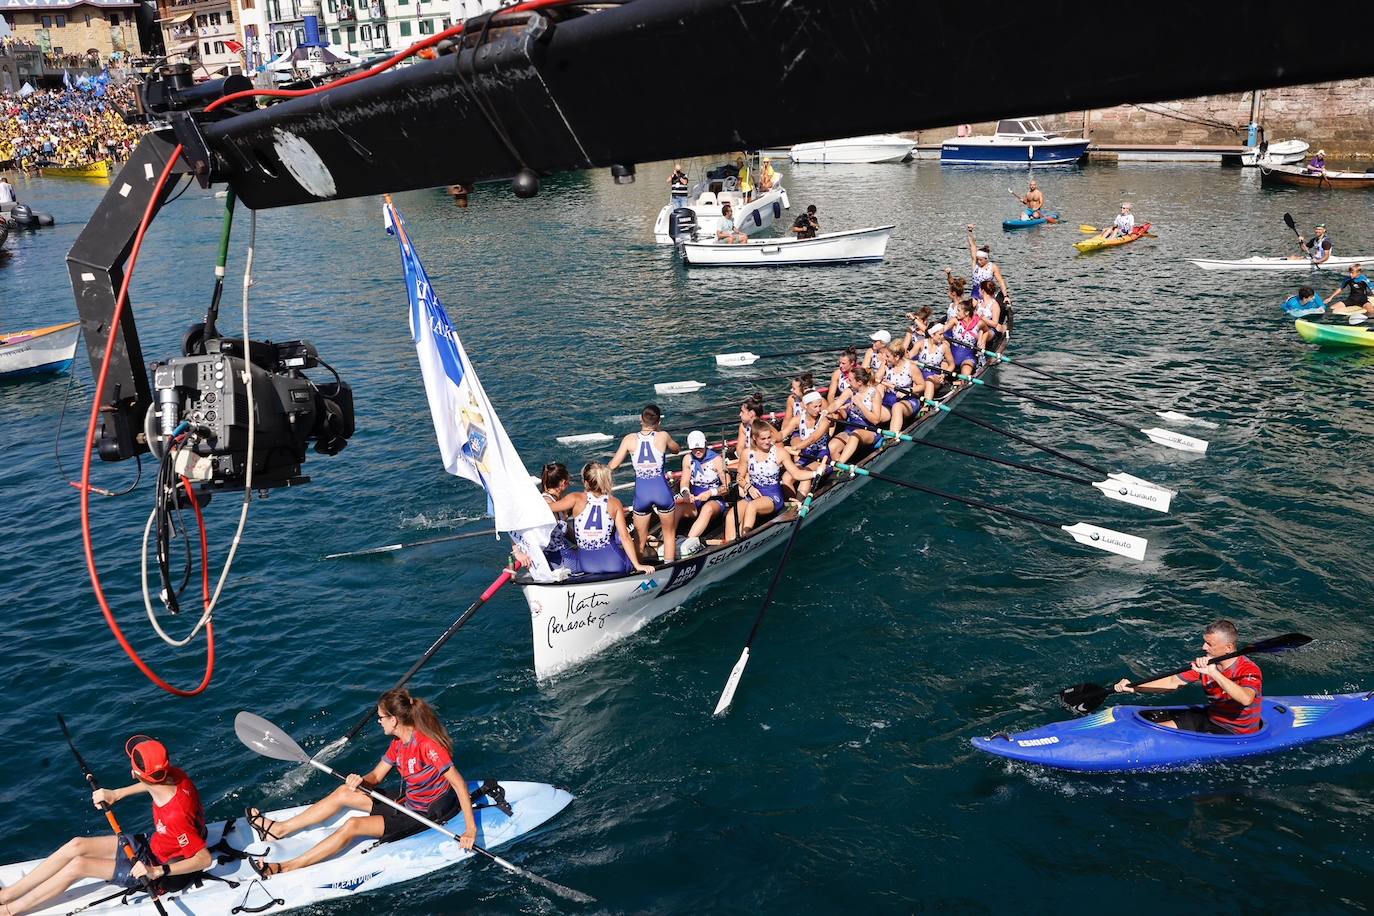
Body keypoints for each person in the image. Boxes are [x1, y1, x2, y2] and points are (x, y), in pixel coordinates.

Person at [246, 689, 480, 879]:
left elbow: (459, 784)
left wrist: (470, 830)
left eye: (381, 717)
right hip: (408, 801)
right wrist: (359, 780)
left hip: (424, 813)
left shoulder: (427, 745)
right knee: (343, 792)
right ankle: (278, 830)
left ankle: (286, 867)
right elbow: (376, 777)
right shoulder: (398, 744)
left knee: (353, 825)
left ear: (394, 719)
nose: (379, 722)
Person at [0, 737, 211, 916]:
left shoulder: (176, 815)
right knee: (77, 845)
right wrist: (116, 794)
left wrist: (156, 871)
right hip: (155, 844)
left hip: (161, 872)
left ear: (134, 773)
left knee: (78, 865)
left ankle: (9, 910)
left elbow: (204, 858)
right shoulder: (173, 775)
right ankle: (7, 894)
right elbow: (151, 784)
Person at [1113, 620, 1263, 735]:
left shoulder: (1248, 669)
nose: (1203, 647)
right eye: (1204, 642)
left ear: (1228, 648)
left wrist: (1214, 673)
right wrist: (1135, 687)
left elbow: (1246, 699)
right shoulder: (1206, 664)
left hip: (1236, 732)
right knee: (1150, 732)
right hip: (1211, 718)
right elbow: (1172, 682)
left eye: (1209, 644)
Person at [546, 462, 654, 576]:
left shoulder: (575, 498)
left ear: (586, 482)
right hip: (614, 563)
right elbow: (625, 537)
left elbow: (547, 507)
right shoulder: (615, 502)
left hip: (587, 564)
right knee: (635, 550)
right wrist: (637, 565)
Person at [608, 404, 682, 563]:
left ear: (641, 420)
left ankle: (639, 568)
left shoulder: (629, 439)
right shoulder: (663, 436)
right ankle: (669, 567)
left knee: (639, 540)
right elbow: (676, 449)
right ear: (658, 422)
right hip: (661, 491)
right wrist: (663, 436)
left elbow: (613, 466)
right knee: (669, 535)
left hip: (642, 493)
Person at [735, 420, 823, 535]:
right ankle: (731, 541)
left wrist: (816, 473)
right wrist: (748, 487)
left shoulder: (780, 453)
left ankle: (744, 539)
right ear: (754, 438)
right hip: (753, 494)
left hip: (773, 497)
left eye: (769, 437)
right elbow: (739, 477)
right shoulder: (746, 453)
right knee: (732, 515)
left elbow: (796, 474)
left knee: (752, 507)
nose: (767, 441)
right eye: (763, 439)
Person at [678, 430, 734, 554]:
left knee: (707, 508)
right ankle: (666, 541)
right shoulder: (687, 459)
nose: (697, 451)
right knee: (677, 508)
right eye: (694, 449)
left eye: (700, 448)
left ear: (705, 444)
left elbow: (727, 486)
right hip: (696, 499)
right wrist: (686, 493)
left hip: (715, 500)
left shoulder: (717, 460)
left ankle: (687, 543)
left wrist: (710, 493)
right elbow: (684, 481)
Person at [784, 391, 838, 495]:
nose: (818, 410)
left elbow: (812, 439)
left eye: (820, 406)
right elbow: (782, 434)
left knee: (805, 474)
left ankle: (801, 501)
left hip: (822, 459)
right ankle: (792, 502)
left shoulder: (824, 421)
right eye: (815, 407)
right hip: (805, 457)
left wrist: (794, 448)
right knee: (786, 477)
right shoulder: (797, 419)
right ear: (805, 406)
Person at [965, 227, 1012, 306]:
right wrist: (970, 231)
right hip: (976, 293)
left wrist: (1005, 296)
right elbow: (972, 246)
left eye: (981, 260)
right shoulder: (975, 264)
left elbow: (1001, 282)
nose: (978, 262)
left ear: (986, 259)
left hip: (988, 293)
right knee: (973, 308)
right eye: (977, 259)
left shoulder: (993, 267)